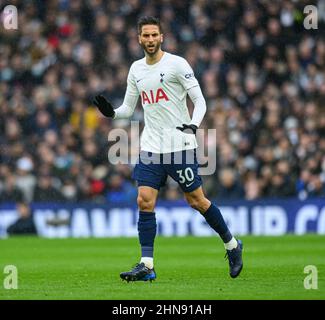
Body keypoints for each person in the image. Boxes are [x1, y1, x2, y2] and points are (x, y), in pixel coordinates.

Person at [93, 16, 243, 281]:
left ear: (161, 37)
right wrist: (111, 112)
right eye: (145, 36)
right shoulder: (136, 69)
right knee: (144, 200)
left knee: (196, 200)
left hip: (181, 145)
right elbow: (128, 109)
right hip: (151, 146)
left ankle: (232, 245)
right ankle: (147, 265)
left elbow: (200, 101)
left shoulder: (177, 64)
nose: (150, 40)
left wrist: (194, 125)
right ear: (139, 38)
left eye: (154, 35)